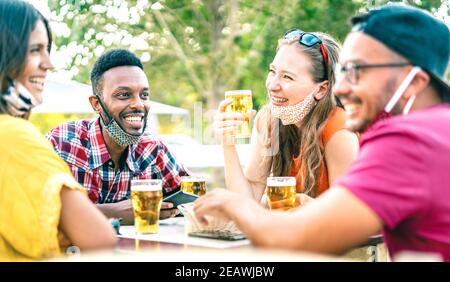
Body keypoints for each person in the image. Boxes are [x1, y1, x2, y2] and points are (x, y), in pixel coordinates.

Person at [195, 4, 450, 261]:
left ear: (414, 83)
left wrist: (232, 204)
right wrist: (228, 144)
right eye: (344, 71)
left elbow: (305, 235)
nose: (341, 88)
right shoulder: (432, 128)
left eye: (360, 71)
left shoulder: (405, 141)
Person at [0, 0, 116, 261]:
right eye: (35, 50)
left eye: (47, 50)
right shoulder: (14, 136)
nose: (49, 63)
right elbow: (100, 239)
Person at [214, 29, 359, 204]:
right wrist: (227, 142)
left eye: (287, 77)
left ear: (321, 89)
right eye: (272, 71)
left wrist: (307, 206)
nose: (272, 85)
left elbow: (348, 212)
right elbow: (247, 201)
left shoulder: (339, 128)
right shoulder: (268, 120)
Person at [47, 49, 190, 224]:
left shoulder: (152, 148)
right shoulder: (63, 142)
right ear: (96, 104)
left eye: (144, 95)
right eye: (124, 95)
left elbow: (193, 198)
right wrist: (114, 213)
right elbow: (36, 209)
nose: (138, 104)